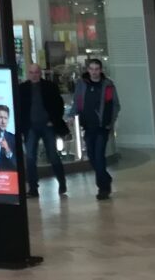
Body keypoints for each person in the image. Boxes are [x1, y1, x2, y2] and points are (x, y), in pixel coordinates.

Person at [15, 62, 68, 197]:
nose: (34, 75)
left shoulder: (50, 87)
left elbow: (58, 105)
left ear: (40, 73)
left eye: (36, 72)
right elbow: (19, 108)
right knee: (30, 157)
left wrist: (53, 120)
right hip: (30, 127)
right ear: (28, 74)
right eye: (31, 73)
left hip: (47, 125)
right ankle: (33, 188)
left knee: (53, 155)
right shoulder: (22, 89)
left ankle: (62, 182)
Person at [72, 58, 120, 200]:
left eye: (96, 69)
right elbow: (77, 101)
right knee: (92, 156)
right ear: (88, 70)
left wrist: (110, 121)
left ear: (100, 70)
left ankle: (103, 188)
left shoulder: (107, 85)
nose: (94, 72)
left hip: (102, 127)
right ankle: (105, 177)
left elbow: (115, 105)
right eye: (91, 69)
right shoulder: (82, 84)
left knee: (99, 156)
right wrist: (72, 115)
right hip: (88, 126)